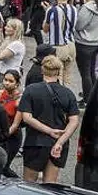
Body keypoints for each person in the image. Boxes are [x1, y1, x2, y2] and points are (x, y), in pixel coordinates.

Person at [18, 54, 81, 184]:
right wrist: (60, 142)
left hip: (35, 143)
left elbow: (27, 118)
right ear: (58, 72)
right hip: (58, 144)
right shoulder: (68, 94)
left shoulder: (31, 90)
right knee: (50, 185)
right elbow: (74, 121)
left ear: (42, 70)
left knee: (29, 183)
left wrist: (49, 131)